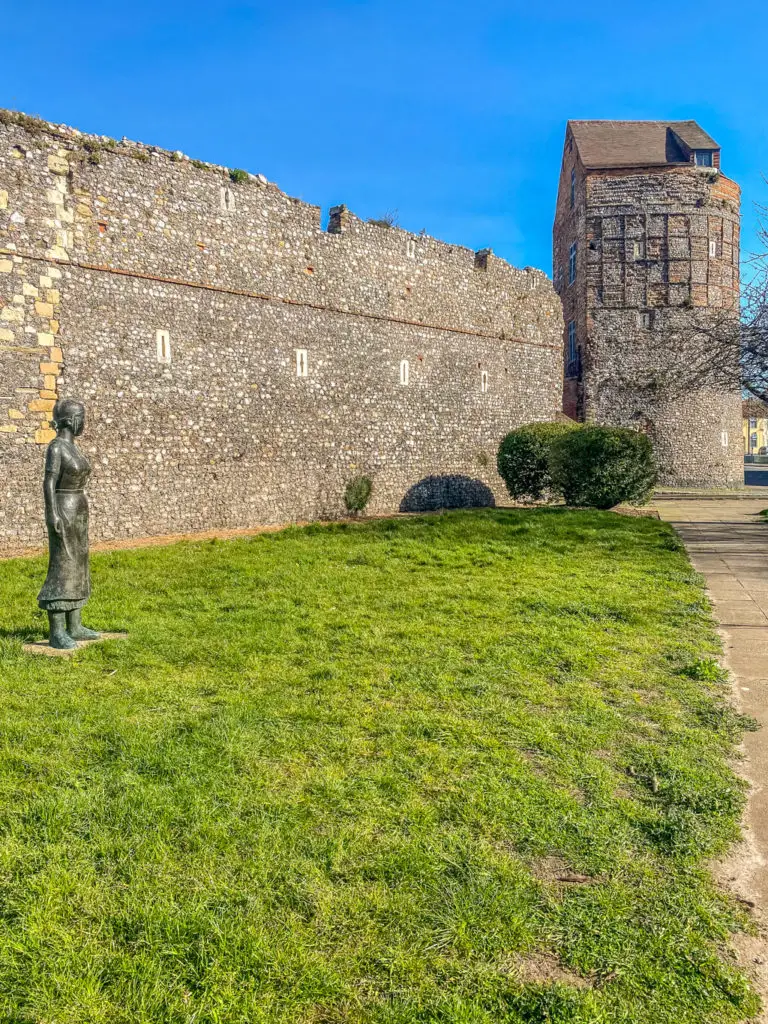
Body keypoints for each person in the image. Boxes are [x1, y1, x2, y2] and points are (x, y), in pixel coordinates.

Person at [37, 398, 100, 649]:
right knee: (62, 566)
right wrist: (51, 513)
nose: (84, 422)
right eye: (81, 417)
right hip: (63, 508)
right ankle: (57, 631)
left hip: (78, 509)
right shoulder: (56, 448)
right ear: (72, 420)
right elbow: (49, 483)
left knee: (79, 565)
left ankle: (75, 625)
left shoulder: (74, 448)